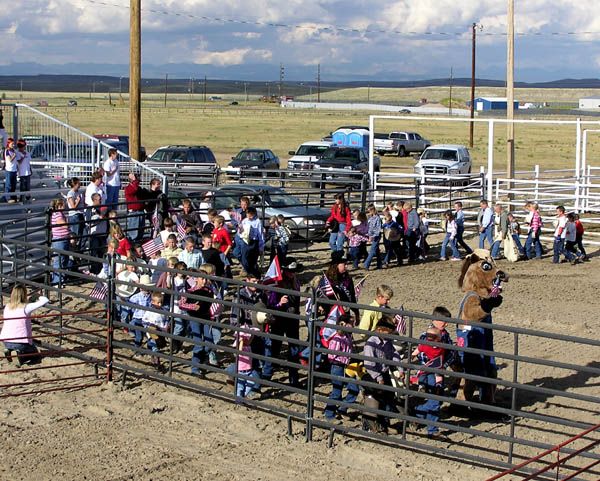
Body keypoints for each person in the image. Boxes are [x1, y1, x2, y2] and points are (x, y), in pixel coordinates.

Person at [362, 316, 402, 433]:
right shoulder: (371, 343)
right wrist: (378, 378)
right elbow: (369, 362)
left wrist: (400, 368)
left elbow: (393, 354)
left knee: (387, 397)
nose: (389, 336)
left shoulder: (387, 341)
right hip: (372, 374)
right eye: (387, 333)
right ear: (379, 330)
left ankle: (384, 424)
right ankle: (370, 424)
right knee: (375, 397)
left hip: (383, 372)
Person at [1, 286, 50, 366]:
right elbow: (45, 300)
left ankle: (10, 351)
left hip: (6, 340)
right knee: (36, 355)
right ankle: (20, 356)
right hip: (21, 341)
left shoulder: (7, 306)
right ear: (24, 295)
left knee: (25, 349)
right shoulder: (26, 307)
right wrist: (37, 295)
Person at [412, 327, 447, 438]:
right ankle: (431, 428)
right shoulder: (431, 344)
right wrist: (411, 356)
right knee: (436, 401)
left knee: (436, 400)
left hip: (435, 371)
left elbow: (417, 350)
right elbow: (418, 350)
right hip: (431, 371)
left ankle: (417, 414)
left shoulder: (438, 343)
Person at [324, 313, 359, 421]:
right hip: (338, 366)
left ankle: (342, 409)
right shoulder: (337, 338)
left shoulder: (347, 336)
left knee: (354, 388)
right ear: (343, 324)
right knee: (336, 391)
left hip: (347, 366)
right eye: (351, 323)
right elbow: (331, 356)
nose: (353, 326)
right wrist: (343, 359)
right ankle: (329, 414)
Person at [179, 272, 215, 376]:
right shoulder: (189, 290)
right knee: (199, 343)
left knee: (209, 343)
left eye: (205, 279)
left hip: (206, 317)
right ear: (196, 279)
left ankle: (201, 361)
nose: (204, 281)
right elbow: (181, 304)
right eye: (202, 279)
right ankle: (195, 367)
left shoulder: (209, 290)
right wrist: (192, 307)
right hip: (194, 318)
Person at [141, 291, 170, 371]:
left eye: (161, 303)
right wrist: (149, 325)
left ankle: (153, 357)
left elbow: (166, 320)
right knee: (155, 345)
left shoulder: (164, 311)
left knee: (156, 344)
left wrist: (166, 327)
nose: (160, 304)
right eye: (158, 303)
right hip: (151, 331)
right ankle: (157, 361)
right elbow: (144, 320)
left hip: (160, 331)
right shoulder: (149, 311)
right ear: (153, 302)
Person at [49, 197, 72, 287]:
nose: (64, 205)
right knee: (59, 260)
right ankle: (57, 281)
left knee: (63, 259)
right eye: (63, 204)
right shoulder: (58, 214)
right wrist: (67, 223)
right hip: (60, 239)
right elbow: (64, 225)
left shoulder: (59, 213)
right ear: (59, 205)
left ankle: (60, 279)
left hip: (63, 239)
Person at [128, 274, 154, 348]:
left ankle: (150, 349)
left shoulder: (151, 296)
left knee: (150, 335)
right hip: (139, 319)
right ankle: (137, 349)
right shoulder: (136, 297)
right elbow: (130, 306)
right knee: (139, 337)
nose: (146, 289)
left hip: (148, 319)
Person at [238, 206, 264, 275]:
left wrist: (261, 247)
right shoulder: (244, 221)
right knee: (244, 257)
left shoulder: (257, 222)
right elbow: (240, 232)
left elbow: (260, 234)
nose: (249, 216)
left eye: (251, 215)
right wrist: (240, 230)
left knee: (253, 258)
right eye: (247, 214)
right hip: (245, 241)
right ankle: (248, 270)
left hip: (254, 241)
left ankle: (253, 273)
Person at [124, 172, 146, 242]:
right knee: (133, 234)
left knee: (140, 233)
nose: (138, 182)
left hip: (141, 212)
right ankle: (133, 248)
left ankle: (138, 247)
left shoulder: (139, 188)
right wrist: (134, 179)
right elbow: (134, 190)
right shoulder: (128, 188)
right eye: (137, 181)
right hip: (134, 213)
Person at [66, 177, 85, 251]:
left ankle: (79, 250)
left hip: (80, 214)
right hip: (74, 215)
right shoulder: (70, 193)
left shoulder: (77, 192)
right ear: (74, 184)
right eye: (78, 183)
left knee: (83, 234)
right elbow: (73, 207)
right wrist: (77, 201)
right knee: (75, 235)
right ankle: (74, 252)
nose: (80, 184)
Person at [364, 205, 382, 270]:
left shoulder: (377, 218)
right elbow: (369, 228)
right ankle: (379, 264)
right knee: (376, 250)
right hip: (372, 236)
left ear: (372, 210)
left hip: (376, 236)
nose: (368, 212)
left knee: (372, 250)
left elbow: (378, 229)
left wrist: (372, 236)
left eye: (369, 211)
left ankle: (366, 264)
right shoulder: (370, 218)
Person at [16, 139, 32, 203]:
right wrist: (23, 157)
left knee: (28, 186)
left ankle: (28, 197)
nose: (23, 148)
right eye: (22, 146)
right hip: (21, 172)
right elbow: (19, 162)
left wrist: (30, 169)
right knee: (22, 186)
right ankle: (21, 198)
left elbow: (28, 162)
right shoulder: (17, 153)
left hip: (27, 171)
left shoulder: (27, 153)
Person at [3, 138, 18, 203]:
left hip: (14, 169)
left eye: (13, 144)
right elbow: (10, 160)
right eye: (12, 144)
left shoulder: (13, 150)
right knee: (8, 184)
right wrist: (14, 155)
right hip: (9, 170)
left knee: (13, 184)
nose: (13, 145)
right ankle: (7, 197)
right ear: (8, 144)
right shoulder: (7, 151)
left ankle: (13, 196)